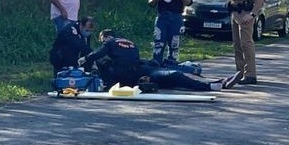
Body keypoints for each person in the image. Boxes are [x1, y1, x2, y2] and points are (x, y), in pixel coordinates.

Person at [79, 29, 237, 92]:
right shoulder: (129, 42)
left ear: (106, 37)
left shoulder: (109, 43)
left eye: (102, 39)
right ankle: (214, 83)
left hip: (126, 75)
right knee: (172, 75)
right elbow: (135, 59)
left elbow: (97, 55)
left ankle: (213, 84)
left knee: (172, 76)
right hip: (139, 70)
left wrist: (84, 60)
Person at [227, 0, 262, 85]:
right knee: (237, 45)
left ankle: (251, 75)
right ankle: (239, 73)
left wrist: (252, 14)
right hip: (235, 13)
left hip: (245, 13)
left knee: (246, 44)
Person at [149, 0, 192, 65]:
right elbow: (151, 3)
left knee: (174, 43)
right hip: (162, 18)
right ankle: (156, 65)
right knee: (159, 43)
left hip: (176, 18)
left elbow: (189, 2)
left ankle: (171, 65)